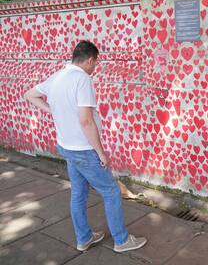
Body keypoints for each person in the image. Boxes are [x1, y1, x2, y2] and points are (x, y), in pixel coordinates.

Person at [24, 40, 147, 253]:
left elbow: (30, 95)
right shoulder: (82, 80)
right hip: (84, 150)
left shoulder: (57, 77)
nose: (95, 67)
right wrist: (101, 153)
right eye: (95, 63)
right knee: (111, 192)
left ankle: (84, 238)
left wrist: (51, 110)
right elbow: (86, 121)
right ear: (90, 60)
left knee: (78, 193)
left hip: (66, 147)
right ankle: (121, 240)